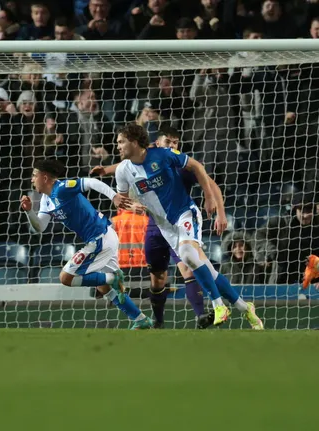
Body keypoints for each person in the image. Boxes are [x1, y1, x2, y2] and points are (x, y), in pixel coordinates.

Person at [113, 123, 263, 329]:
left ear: (134, 141)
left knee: (187, 255)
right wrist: (132, 205)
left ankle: (218, 305)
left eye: (121, 141)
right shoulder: (122, 170)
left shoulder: (164, 156)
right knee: (208, 272)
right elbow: (122, 200)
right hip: (164, 227)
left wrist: (209, 198)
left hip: (185, 213)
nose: (117, 146)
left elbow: (197, 167)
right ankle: (245, 308)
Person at [91, 127, 226, 328]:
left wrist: (220, 213)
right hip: (156, 227)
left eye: (175, 142)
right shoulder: (144, 160)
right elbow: (129, 162)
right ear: (156, 144)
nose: (172, 145)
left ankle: (201, 315)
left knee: (189, 267)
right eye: (168, 141)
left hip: (180, 224)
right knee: (158, 279)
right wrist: (106, 170)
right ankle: (158, 321)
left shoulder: (180, 165)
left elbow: (209, 182)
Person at [20, 157, 154, 330]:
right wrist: (29, 211)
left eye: (34, 175)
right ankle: (140, 319)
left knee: (66, 278)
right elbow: (40, 227)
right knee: (103, 286)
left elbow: (90, 182)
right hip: (103, 237)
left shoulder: (62, 188)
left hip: (100, 238)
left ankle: (113, 277)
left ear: (44, 177)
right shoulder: (46, 199)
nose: (32, 179)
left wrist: (114, 196)